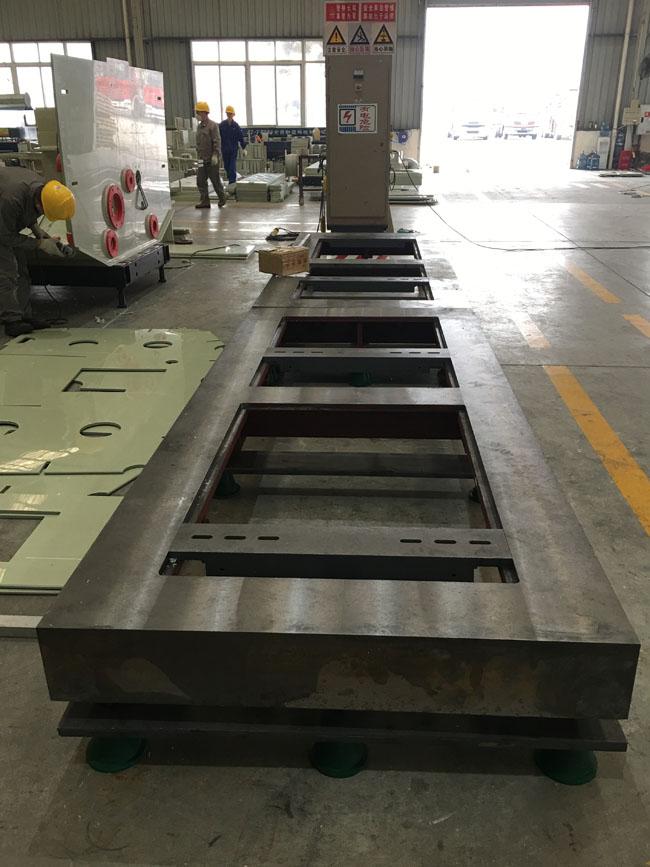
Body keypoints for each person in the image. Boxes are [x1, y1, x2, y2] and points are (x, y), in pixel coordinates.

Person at [0, 166, 76, 337]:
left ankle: (24, 315)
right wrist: (39, 244)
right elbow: (4, 236)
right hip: (2, 228)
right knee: (7, 272)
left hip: (4, 220)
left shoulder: (43, 189)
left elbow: (27, 210)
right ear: (39, 204)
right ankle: (12, 321)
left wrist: (39, 233)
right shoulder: (12, 199)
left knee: (22, 269)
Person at [195, 101, 226, 209]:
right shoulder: (199, 127)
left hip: (212, 159)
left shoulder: (213, 126)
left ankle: (222, 198)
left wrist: (215, 155)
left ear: (204, 112)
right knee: (200, 180)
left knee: (215, 180)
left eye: (198, 112)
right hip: (201, 159)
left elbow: (217, 141)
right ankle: (205, 201)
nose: (197, 115)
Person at [219, 105, 246, 185]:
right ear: (226, 114)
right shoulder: (222, 125)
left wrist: (243, 148)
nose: (229, 115)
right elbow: (218, 137)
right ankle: (230, 178)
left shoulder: (236, 126)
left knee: (232, 167)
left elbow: (240, 137)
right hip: (224, 149)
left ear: (233, 114)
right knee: (226, 167)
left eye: (230, 113)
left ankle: (232, 183)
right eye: (228, 113)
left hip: (233, 150)